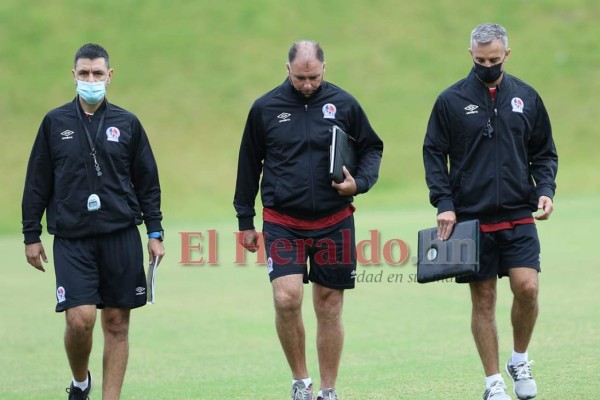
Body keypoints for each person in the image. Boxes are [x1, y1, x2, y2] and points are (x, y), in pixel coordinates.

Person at [234, 40, 383, 400]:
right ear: (287, 70)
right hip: (283, 220)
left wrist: (358, 184)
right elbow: (248, 164)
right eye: (300, 78)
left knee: (329, 305)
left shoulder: (344, 104)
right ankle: (301, 382)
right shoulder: (265, 108)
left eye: (313, 77)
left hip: (334, 219)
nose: (307, 85)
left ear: (324, 69)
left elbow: (372, 148)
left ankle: (328, 390)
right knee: (287, 298)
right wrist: (245, 221)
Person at [22, 43, 165, 400]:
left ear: (109, 76)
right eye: (84, 73)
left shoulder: (127, 123)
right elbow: (37, 180)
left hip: (120, 235)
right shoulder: (54, 123)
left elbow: (147, 181)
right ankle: (81, 382)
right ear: (74, 76)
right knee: (79, 319)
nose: (91, 80)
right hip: (73, 238)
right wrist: (31, 234)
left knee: (117, 323)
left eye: (98, 74)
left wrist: (155, 231)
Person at [423, 23, 558, 400]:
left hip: (518, 212)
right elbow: (434, 154)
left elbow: (544, 152)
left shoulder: (527, 97)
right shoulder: (449, 101)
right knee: (483, 299)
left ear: (507, 56)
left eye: (494, 60)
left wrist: (544, 190)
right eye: (480, 60)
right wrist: (445, 204)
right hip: (472, 217)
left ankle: (519, 358)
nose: (487, 65)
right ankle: (493, 382)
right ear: (470, 55)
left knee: (527, 287)